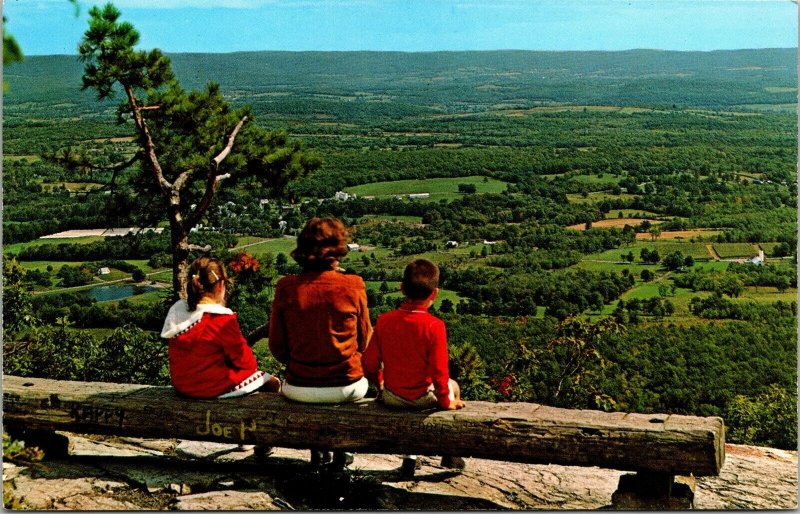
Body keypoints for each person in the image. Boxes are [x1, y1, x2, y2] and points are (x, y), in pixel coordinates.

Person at [269, 217, 372, 467]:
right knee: (361, 386)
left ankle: (318, 452)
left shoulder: (286, 287)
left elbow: (277, 347)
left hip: (299, 387)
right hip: (346, 385)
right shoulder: (353, 285)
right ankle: (342, 453)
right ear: (338, 249)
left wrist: (303, 363)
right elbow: (365, 341)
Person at [362, 258, 465, 476]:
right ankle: (450, 453)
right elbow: (439, 373)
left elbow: (369, 363)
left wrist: (380, 384)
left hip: (391, 396)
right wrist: (447, 402)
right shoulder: (434, 326)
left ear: (401, 289)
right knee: (453, 385)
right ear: (434, 293)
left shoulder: (384, 320)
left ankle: (410, 458)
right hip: (422, 398)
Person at [161, 256, 281, 399]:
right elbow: (247, 362)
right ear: (220, 286)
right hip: (208, 387)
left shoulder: (179, 313)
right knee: (270, 381)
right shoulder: (220, 320)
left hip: (182, 385)